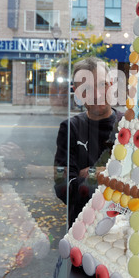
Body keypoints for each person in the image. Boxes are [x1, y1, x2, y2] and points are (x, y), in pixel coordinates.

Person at [54, 56, 123, 226]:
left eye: (102, 84)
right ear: (77, 93)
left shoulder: (131, 126)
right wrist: (107, 175)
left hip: (125, 228)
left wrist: (90, 174)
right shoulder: (70, 128)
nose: (97, 94)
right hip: (83, 228)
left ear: (111, 84)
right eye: (87, 88)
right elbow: (62, 188)